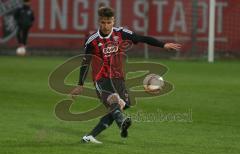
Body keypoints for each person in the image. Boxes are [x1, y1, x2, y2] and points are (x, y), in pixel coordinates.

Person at [70, 6, 181, 144]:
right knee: (114, 101)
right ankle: (121, 121)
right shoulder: (92, 40)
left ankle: (90, 136)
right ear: (99, 22)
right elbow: (85, 62)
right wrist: (80, 84)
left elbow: (141, 38)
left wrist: (163, 45)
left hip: (118, 78)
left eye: (109, 22)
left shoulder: (121, 33)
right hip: (101, 78)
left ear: (113, 21)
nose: (106, 26)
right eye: (103, 22)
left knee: (124, 104)